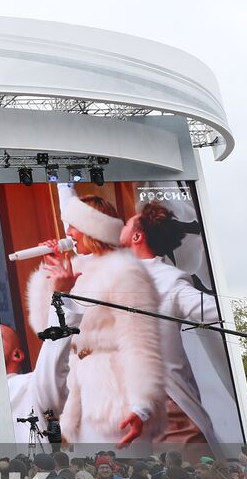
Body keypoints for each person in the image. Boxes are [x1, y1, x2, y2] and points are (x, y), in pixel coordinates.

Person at [23, 192, 165, 448]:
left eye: (74, 226)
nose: (68, 233)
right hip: (81, 395)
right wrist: (51, 275)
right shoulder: (77, 268)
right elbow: (46, 330)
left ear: (93, 228)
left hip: (116, 399)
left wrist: (141, 406)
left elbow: (140, 342)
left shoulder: (125, 271)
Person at [121, 203, 223, 443]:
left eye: (127, 223)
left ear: (137, 236)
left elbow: (216, 311)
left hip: (169, 412)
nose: (121, 226)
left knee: (190, 478)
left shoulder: (169, 281)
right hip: (125, 406)